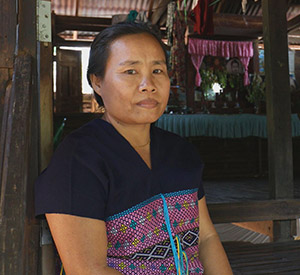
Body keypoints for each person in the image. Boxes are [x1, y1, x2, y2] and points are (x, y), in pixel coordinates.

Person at [35, 22, 233, 275]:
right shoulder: (79, 159)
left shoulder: (181, 152)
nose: (148, 84)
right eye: (130, 71)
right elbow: (89, 269)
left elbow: (206, 238)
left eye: (158, 70)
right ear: (97, 82)